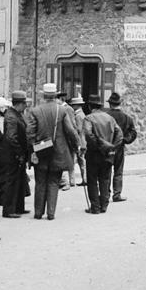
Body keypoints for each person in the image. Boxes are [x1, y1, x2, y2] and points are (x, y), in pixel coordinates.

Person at [25, 83, 80, 220]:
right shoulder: (61, 111)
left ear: (44, 95)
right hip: (58, 152)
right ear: (55, 95)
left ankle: (38, 212)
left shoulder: (35, 111)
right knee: (54, 182)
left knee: (40, 182)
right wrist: (76, 145)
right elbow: (71, 131)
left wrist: (33, 148)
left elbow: (30, 133)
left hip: (40, 150)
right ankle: (51, 213)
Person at [82, 95, 122, 214]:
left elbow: (88, 134)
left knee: (92, 180)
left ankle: (95, 207)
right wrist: (112, 147)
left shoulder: (88, 118)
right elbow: (119, 134)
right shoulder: (109, 118)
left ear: (90, 106)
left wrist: (99, 145)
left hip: (94, 153)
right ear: (100, 106)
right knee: (105, 179)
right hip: (107, 154)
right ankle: (104, 205)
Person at [0, 92, 30, 218]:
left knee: (19, 180)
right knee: (11, 181)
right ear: (19, 104)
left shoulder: (15, 114)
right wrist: (19, 152)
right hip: (12, 154)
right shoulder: (11, 116)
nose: (25, 106)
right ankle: (9, 209)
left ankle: (18, 207)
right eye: (24, 104)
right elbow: (11, 137)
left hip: (16, 153)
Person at [104, 92, 137, 202]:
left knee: (107, 170)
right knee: (118, 171)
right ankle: (117, 194)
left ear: (110, 104)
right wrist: (125, 140)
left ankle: (106, 194)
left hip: (107, 147)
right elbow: (133, 133)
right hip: (120, 147)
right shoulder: (127, 118)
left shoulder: (106, 116)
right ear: (119, 104)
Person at [55, 91, 78, 191]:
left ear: (61, 99)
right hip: (64, 137)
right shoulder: (59, 108)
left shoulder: (67, 109)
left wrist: (74, 140)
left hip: (67, 138)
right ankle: (70, 181)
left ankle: (69, 181)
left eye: (57, 98)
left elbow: (72, 125)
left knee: (69, 159)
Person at [69, 95, 87, 186]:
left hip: (78, 141)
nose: (72, 106)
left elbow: (79, 129)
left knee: (75, 160)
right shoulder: (82, 114)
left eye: (74, 105)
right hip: (82, 141)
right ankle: (84, 179)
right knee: (81, 161)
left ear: (77, 105)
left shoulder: (78, 116)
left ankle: (73, 181)